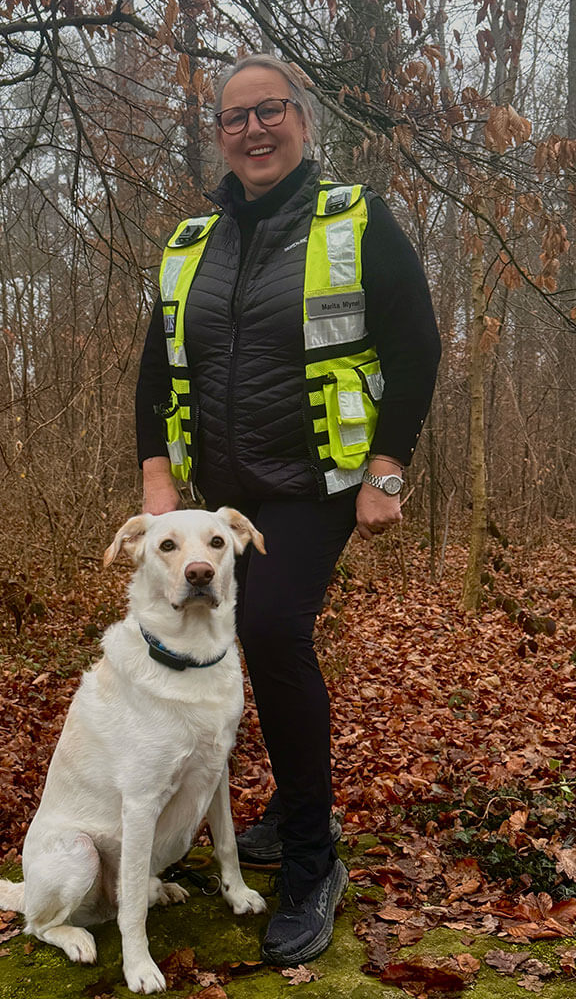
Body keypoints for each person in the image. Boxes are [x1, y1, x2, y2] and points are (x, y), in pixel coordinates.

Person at [135, 53, 440, 966]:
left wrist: (387, 470)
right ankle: (274, 815)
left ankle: (313, 858)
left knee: (268, 630)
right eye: (235, 118)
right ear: (219, 135)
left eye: (270, 112)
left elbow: (416, 344)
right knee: (223, 642)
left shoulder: (355, 221)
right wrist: (157, 483)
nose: (253, 130)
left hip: (317, 486)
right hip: (221, 496)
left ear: (301, 122)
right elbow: (157, 372)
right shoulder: (192, 242)